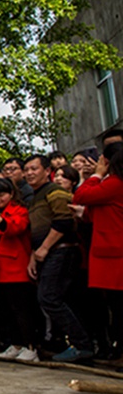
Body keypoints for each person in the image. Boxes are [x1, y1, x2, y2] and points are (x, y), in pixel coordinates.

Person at [23, 154, 93, 362]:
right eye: (27, 169)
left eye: (34, 169)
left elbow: (63, 222)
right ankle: (74, 344)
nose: (29, 173)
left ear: (47, 171)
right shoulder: (35, 197)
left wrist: (44, 248)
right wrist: (34, 256)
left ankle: (83, 345)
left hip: (62, 250)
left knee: (49, 297)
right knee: (57, 299)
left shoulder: (55, 192)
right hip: (46, 252)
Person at [70, 142, 123, 359]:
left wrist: (96, 175)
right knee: (114, 305)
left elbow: (81, 195)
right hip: (108, 249)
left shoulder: (115, 184)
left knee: (119, 306)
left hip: (114, 252)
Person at [0, 178, 39, 362]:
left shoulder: (19, 210)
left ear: (11, 194)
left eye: (1, 194)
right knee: (6, 310)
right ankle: (16, 343)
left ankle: (31, 346)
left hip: (16, 267)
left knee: (22, 309)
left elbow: (12, 228)